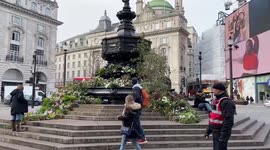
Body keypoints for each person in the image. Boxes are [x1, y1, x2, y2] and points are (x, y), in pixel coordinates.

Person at [205, 83, 236, 150]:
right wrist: (208, 131)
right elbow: (213, 117)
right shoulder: (217, 101)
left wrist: (223, 137)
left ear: (219, 90)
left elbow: (228, 121)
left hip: (221, 132)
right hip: (216, 131)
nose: (213, 90)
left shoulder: (226, 102)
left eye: (214, 89)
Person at [131, 78, 147, 144]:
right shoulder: (139, 87)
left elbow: (136, 97)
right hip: (139, 106)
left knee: (137, 123)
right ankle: (137, 136)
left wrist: (132, 103)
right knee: (135, 123)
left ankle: (142, 137)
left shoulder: (136, 88)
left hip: (137, 107)